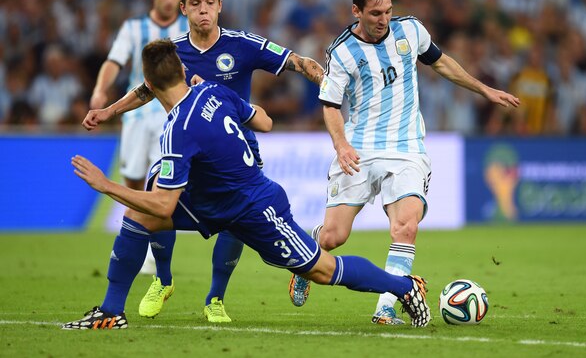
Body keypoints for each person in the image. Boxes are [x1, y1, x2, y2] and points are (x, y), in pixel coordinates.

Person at [62, 39, 430, 330]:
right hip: (214, 199)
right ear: (182, 69)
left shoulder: (178, 130)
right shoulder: (212, 91)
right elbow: (266, 122)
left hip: (255, 208)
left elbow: (163, 205)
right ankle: (111, 311)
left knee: (322, 270)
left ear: (152, 85)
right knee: (137, 216)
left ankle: (404, 287)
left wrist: (106, 184)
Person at [288, 0, 520, 325]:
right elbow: (331, 105)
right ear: (356, 11)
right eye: (375, 13)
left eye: (388, 11)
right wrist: (341, 145)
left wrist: (483, 89)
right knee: (334, 236)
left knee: (405, 228)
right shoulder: (342, 52)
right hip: (360, 149)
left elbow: (441, 62)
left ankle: (386, 306)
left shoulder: (410, 31)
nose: (383, 19)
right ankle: (307, 260)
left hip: (407, 148)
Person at [136, 0, 324, 324]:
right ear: (183, 9)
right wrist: (107, 111)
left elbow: (296, 61)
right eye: (195, 3)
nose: (204, 10)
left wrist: (330, 85)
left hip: (236, 154)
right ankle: (162, 280)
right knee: (157, 201)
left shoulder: (242, 44)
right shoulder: (173, 52)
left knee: (235, 222)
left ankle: (215, 299)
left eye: (210, 2)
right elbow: (145, 89)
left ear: (221, 5)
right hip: (186, 149)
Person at [89, 0, 188, 278]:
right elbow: (113, 62)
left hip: (169, 118)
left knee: (159, 187)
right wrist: (100, 90)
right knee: (132, 182)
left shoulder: (187, 28)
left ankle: (152, 257)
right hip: (135, 117)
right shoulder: (133, 28)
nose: (171, 1)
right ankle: (135, 236)